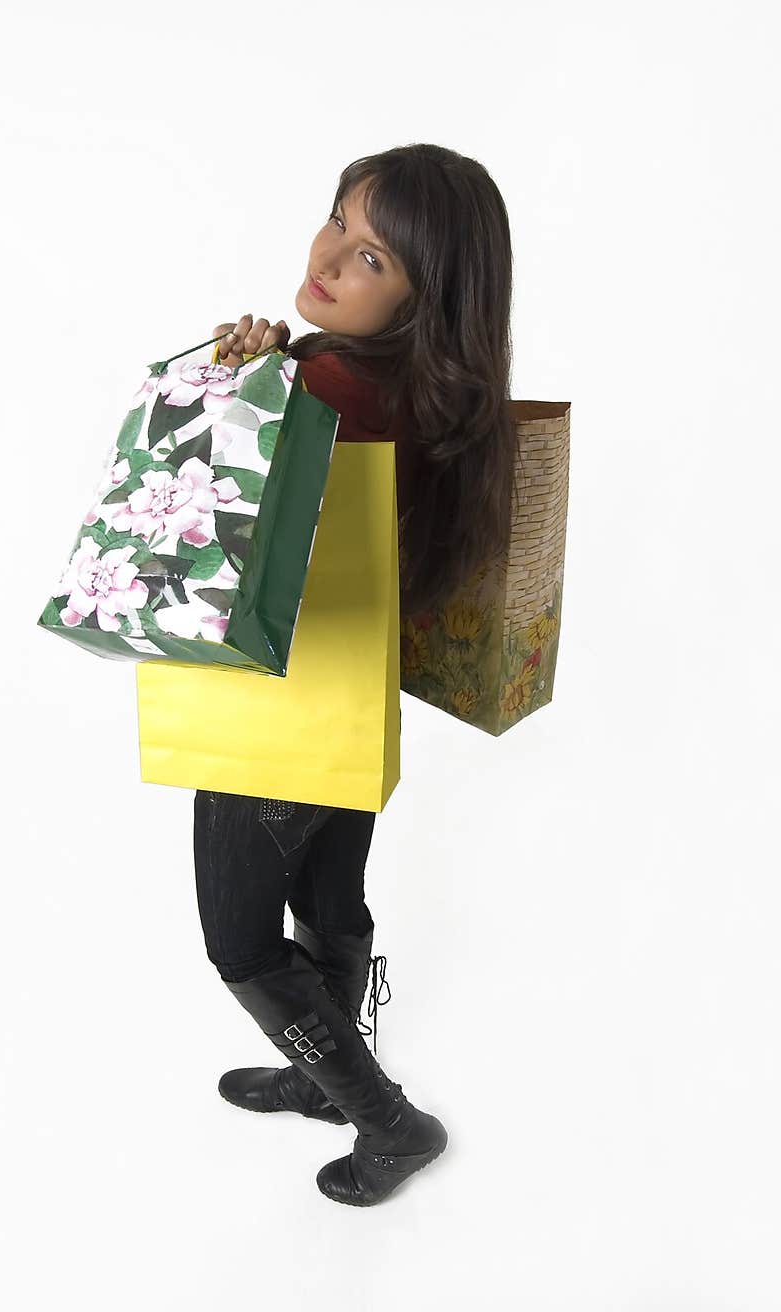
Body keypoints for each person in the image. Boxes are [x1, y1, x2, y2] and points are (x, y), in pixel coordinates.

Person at [195, 143, 517, 1207]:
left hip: (273, 705)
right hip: (352, 695)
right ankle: (322, 1077)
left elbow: (211, 488)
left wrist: (241, 375)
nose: (331, 253)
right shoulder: (423, 392)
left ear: (425, 296)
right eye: (336, 220)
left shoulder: (323, 382)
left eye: (371, 254)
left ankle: (387, 1121)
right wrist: (281, 361)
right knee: (328, 894)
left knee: (242, 941)